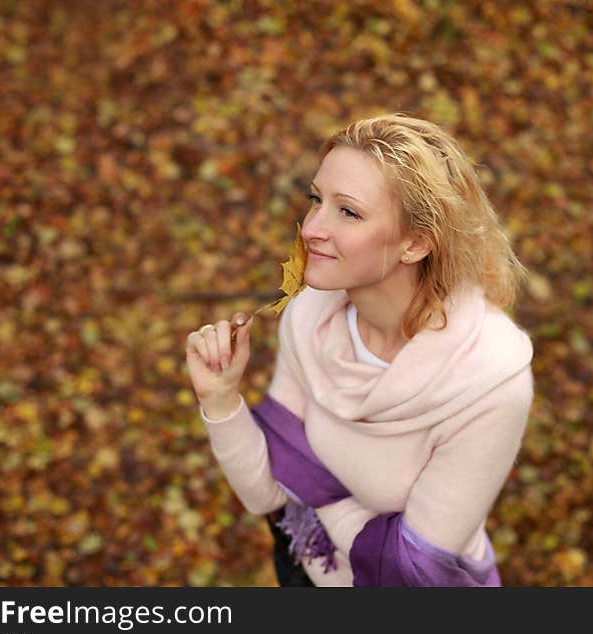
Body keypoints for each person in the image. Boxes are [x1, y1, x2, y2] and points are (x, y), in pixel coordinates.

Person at [185, 114, 534, 587]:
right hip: (306, 567)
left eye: (347, 211)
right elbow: (268, 491)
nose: (311, 229)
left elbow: (411, 565)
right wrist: (221, 400)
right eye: (316, 200)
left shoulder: (488, 380)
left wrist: (319, 497)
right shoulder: (310, 317)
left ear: (415, 244)